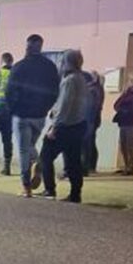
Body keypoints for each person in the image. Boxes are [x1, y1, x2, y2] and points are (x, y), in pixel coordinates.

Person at [5, 34, 60, 198]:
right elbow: (55, 91)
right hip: (40, 115)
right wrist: (46, 108)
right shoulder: (50, 67)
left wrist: (13, 109)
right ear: (41, 46)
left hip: (21, 114)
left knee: (24, 149)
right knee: (30, 145)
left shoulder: (19, 66)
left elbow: (9, 91)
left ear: (27, 46)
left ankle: (26, 186)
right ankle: (36, 163)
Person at [39, 49, 89, 203]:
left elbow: (64, 105)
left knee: (46, 156)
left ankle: (49, 189)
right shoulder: (82, 79)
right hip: (79, 125)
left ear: (67, 62)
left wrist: (54, 126)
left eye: (62, 61)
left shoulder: (69, 81)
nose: (60, 64)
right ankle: (75, 194)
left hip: (65, 126)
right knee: (73, 160)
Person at [84, 71, 106, 175]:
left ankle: (87, 166)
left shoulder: (93, 90)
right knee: (90, 142)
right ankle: (90, 166)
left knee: (87, 143)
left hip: (90, 120)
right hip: (93, 119)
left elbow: (91, 107)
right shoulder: (97, 89)